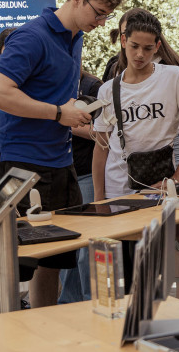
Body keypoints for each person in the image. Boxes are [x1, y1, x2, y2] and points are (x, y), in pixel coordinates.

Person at [0, 0, 122, 308]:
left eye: (108, 15)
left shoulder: (75, 37)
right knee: (2, 264)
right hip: (15, 167)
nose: (102, 22)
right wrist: (59, 113)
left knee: (55, 261)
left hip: (60, 166)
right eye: (99, 12)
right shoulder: (31, 36)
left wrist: (73, 107)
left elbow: (51, 94)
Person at [92, 9, 179, 300]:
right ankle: (137, 322)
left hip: (163, 180)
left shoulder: (173, 76)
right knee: (131, 263)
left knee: (172, 243)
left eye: (146, 47)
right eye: (134, 46)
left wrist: (178, 178)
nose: (139, 54)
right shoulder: (108, 89)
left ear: (157, 46)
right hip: (121, 185)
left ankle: (178, 304)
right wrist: (99, 198)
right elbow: (101, 147)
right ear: (123, 42)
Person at [57, 69, 103, 304]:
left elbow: (102, 133)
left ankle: (90, 302)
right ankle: (68, 304)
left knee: (86, 249)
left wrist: (63, 121)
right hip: (61, 175)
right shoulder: (52, 85)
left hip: (85, 174)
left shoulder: (92, 85)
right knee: (68, 247)